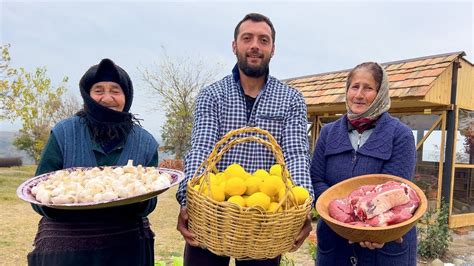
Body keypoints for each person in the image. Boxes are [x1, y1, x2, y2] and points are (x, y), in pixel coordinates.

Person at [175, 13, 314, 266]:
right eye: (247, 38)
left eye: (264, 40)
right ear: (234, 45)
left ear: (273, 49)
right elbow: (202, 149)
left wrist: (302, 204)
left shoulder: (291, 99)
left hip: (266, 220)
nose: (255, 46)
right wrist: (187, 199)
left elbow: (296, 155)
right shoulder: (212, 95)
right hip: (213, 213)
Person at [28, 58, 159, 266]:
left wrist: (140, 198)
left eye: (115, 90)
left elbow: (150, 201)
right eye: (98, 90)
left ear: (127, 96)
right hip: (66, 251)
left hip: (127, 249)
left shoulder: (145, 142)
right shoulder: (64, 133)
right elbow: (38, 189)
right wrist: (56, 203)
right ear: (87, 95)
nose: (107, 98)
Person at [310, 62, 417, 265]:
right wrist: (341, 215)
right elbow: (316, 178)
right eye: (355, 87)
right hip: (335, 239)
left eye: (368, 88)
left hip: (385, 243)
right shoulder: (328, 133)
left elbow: (396, 191)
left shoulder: (400, 135)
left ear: (380, 93)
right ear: (347, 90)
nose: (359, 94)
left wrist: (371, 229)